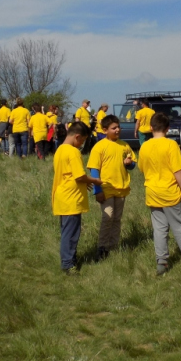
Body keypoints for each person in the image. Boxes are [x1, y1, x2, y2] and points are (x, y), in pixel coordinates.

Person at [138, 113, 181, 275]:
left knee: (159, 229)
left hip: (152, 192)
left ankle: (162, 262)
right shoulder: (171, 145)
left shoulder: (144, 146)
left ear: (151, 128)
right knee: (180, 227)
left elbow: (142, 168)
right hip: (170, 192)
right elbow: (177, 170)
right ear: (168, 129)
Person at [51, 121, 103, 274]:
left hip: (62, 196)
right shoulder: (73, 152)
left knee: (67, 231)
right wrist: (94, 180)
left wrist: (84, 182)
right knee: (71, 233)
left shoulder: (60, 149)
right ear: (77, 136)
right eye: (82, 141)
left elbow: (70, 174)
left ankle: (69, 260)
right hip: (71, 199)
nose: (81, 145)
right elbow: (80, 175)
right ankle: (68, 264)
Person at [88, 115, 137, 259]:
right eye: (113, 128)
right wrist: (98, 191)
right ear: (104, 130)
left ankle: (113, 246)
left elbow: (132, 164)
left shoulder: (124, 145)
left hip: (121, 189)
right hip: (106, 189)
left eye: (118, 127)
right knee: (107, 217)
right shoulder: (99, 147)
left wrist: (130, 163)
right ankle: (102, 247)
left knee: (117, 219)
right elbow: (94, 169)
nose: (117, 130)